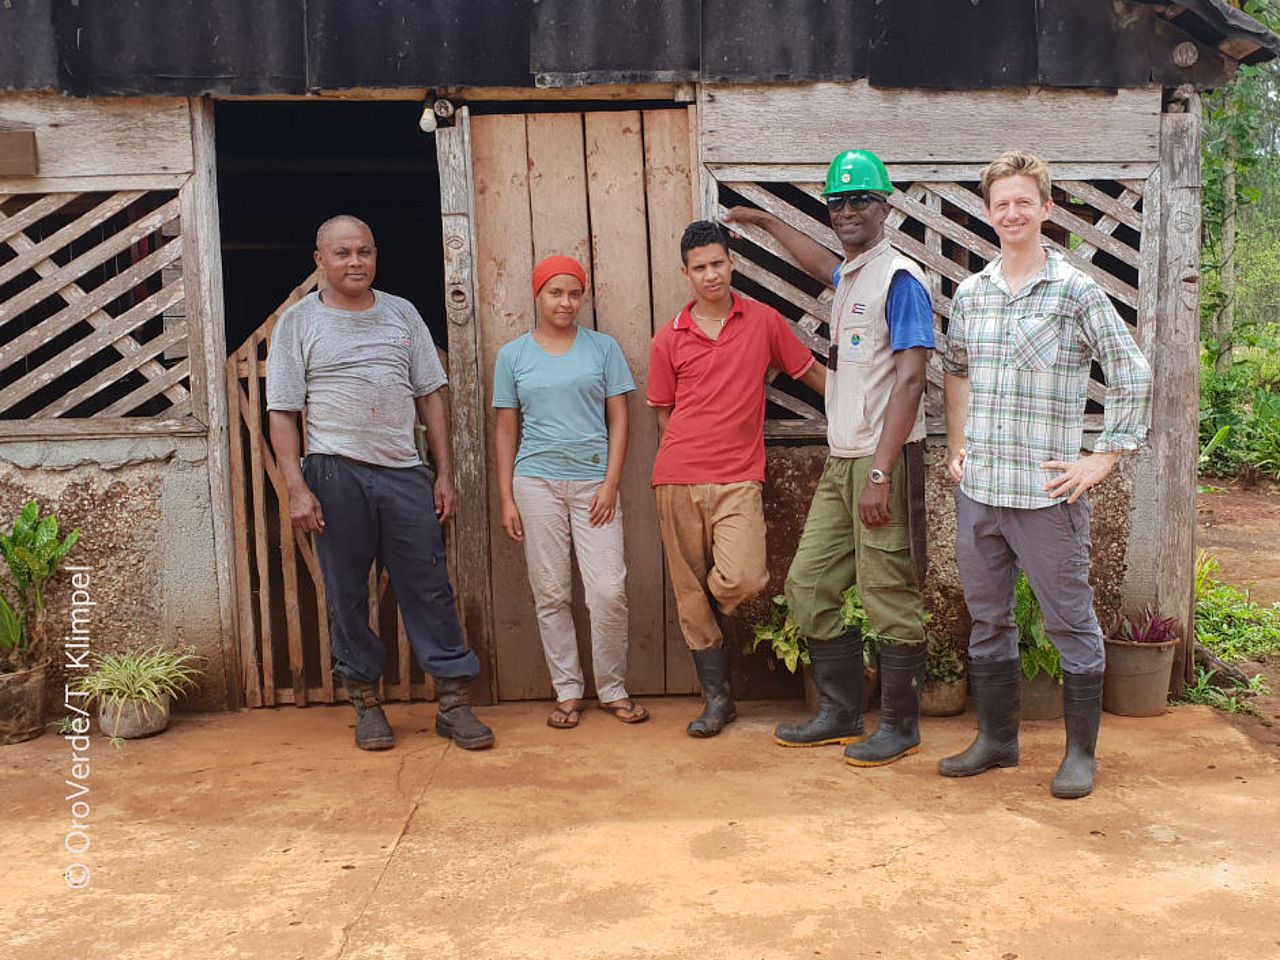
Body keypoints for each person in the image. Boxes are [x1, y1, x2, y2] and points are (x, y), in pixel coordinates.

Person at [938, 150, 1153, 798]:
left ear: (1046, 209)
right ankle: (997, 742)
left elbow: (1131, 372)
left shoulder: (1075, 290)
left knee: (1069, 622)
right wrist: (957, 444)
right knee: (987, 621)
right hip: (980, 495)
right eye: (1000, 202)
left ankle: (1080, 756)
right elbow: (957, 368)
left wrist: (1104, 456)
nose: (1011, 212)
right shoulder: (972, 294)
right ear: (988, 211)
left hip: (1046, 496)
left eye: (1022, 201)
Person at [726, 148, 935, 767]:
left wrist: (879, 471)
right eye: (837, 202)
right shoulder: (852, 275)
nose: (847, 211)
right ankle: (841, 712)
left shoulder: (900, 280)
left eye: (859, 200)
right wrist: (765, 223)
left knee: (886, 592)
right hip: (843, 459)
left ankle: (901, 726)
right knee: (809, 584)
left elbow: (912, 380)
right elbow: (821, 262)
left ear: (885, 207)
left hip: (882, 462)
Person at [266, 214, 494, 752]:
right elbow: (282, 412)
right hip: (335, 471)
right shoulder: (299, 324)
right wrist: (297, 487)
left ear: (375, 256)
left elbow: (430, 395)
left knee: (429, 587)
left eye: (364, 252)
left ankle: (453, 703)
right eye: (342, 253)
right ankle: (366, 702)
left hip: (403, 473)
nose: (355, 263)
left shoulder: (402, 313)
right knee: (347, 593)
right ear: (319, 260)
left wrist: (444, 472)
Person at [649, 220, 827, 737]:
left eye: (717, 263)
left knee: (743, 578)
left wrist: (861, 403)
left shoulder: (764, 321)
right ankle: (718, 700)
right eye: (699, 267)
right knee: (688, 592)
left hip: (737, 477)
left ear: (733, 263)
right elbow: (664, 411)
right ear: (686, 273)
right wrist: (677, 466)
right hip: (678, 476)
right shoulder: (670, 338)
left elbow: (809, 372)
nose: (710, 274)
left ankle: (708, 607)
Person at [493, 254, 648, 730]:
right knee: (552, 591)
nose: (566, 302)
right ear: (537, 295)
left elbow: (620, 418)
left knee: (608, 591)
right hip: (535, 482)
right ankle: (567, 692)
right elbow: (505, 429)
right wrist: (506, 498)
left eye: (574, 293)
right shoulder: (513, 355)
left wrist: (610, 483)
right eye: (555, 292)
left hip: (593, 486)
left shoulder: (602, 349)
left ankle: (613, 688)